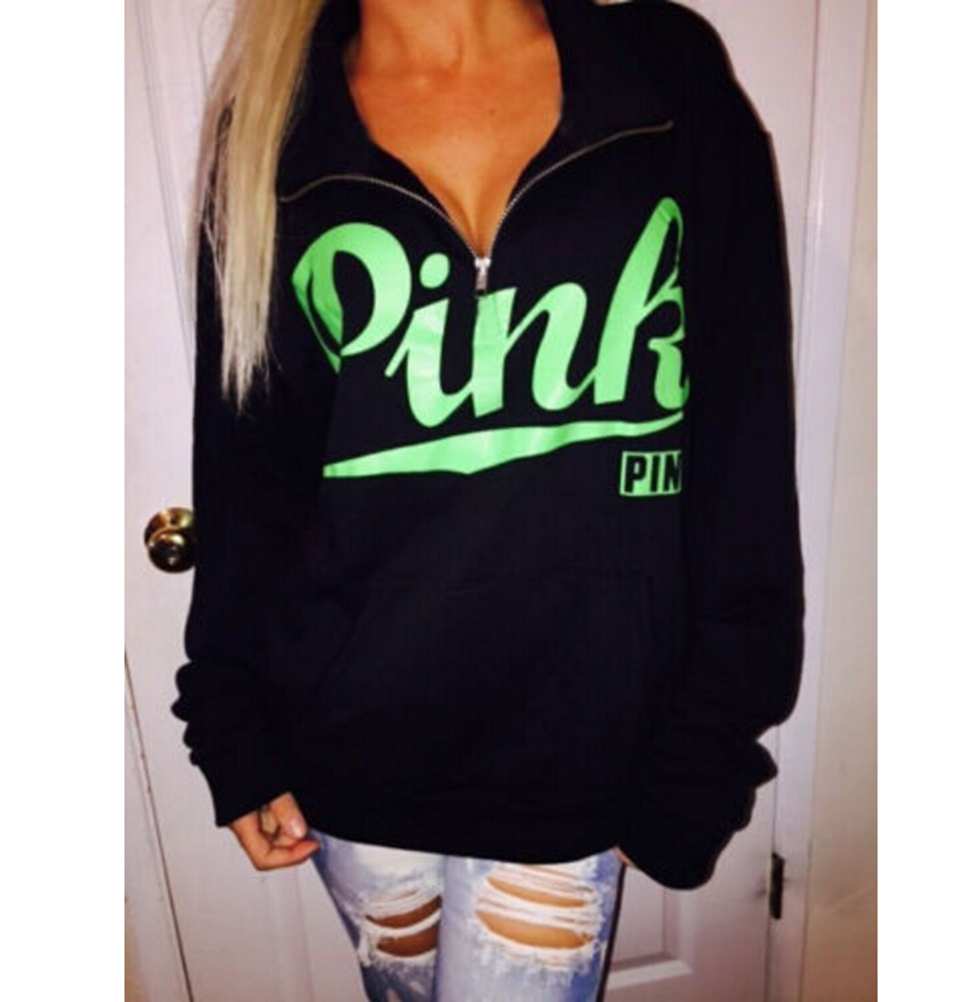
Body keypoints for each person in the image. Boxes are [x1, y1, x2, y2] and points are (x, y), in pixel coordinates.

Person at [171, 0, 805, 998]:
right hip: (349, 766)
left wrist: (710, 748)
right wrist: (232, 724)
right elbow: (249, 473)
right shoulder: (270, 125)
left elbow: (744, 446)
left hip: (578, 760)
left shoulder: (663, 73)